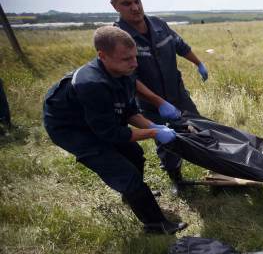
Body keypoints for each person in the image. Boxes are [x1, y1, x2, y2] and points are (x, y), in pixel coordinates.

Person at [43, 26, 187, 235]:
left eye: (134, 56)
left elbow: (127, 111)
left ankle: (131, 196)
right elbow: (111, 134)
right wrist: (154, 133)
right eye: (127, 59)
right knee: (124, 173)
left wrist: (152, 125)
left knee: (134, 154)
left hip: (99, 119)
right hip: (71, 128)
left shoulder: (123, 71)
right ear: (102, 56)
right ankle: (156, 225)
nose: (134, 63)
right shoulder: (92, 84)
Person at [108, 0, 209, 194]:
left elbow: (181, 46)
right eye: (127, 3)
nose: (135, 7)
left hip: (177, 94)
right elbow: (129, 78)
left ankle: (215, 163)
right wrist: (159, 102)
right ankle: (176, 178)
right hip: (150, 103)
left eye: (137, 1)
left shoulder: (159, 24)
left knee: (197, 127)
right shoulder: (118, 38)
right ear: (115, 6)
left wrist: (199, 63)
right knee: (166, 139)